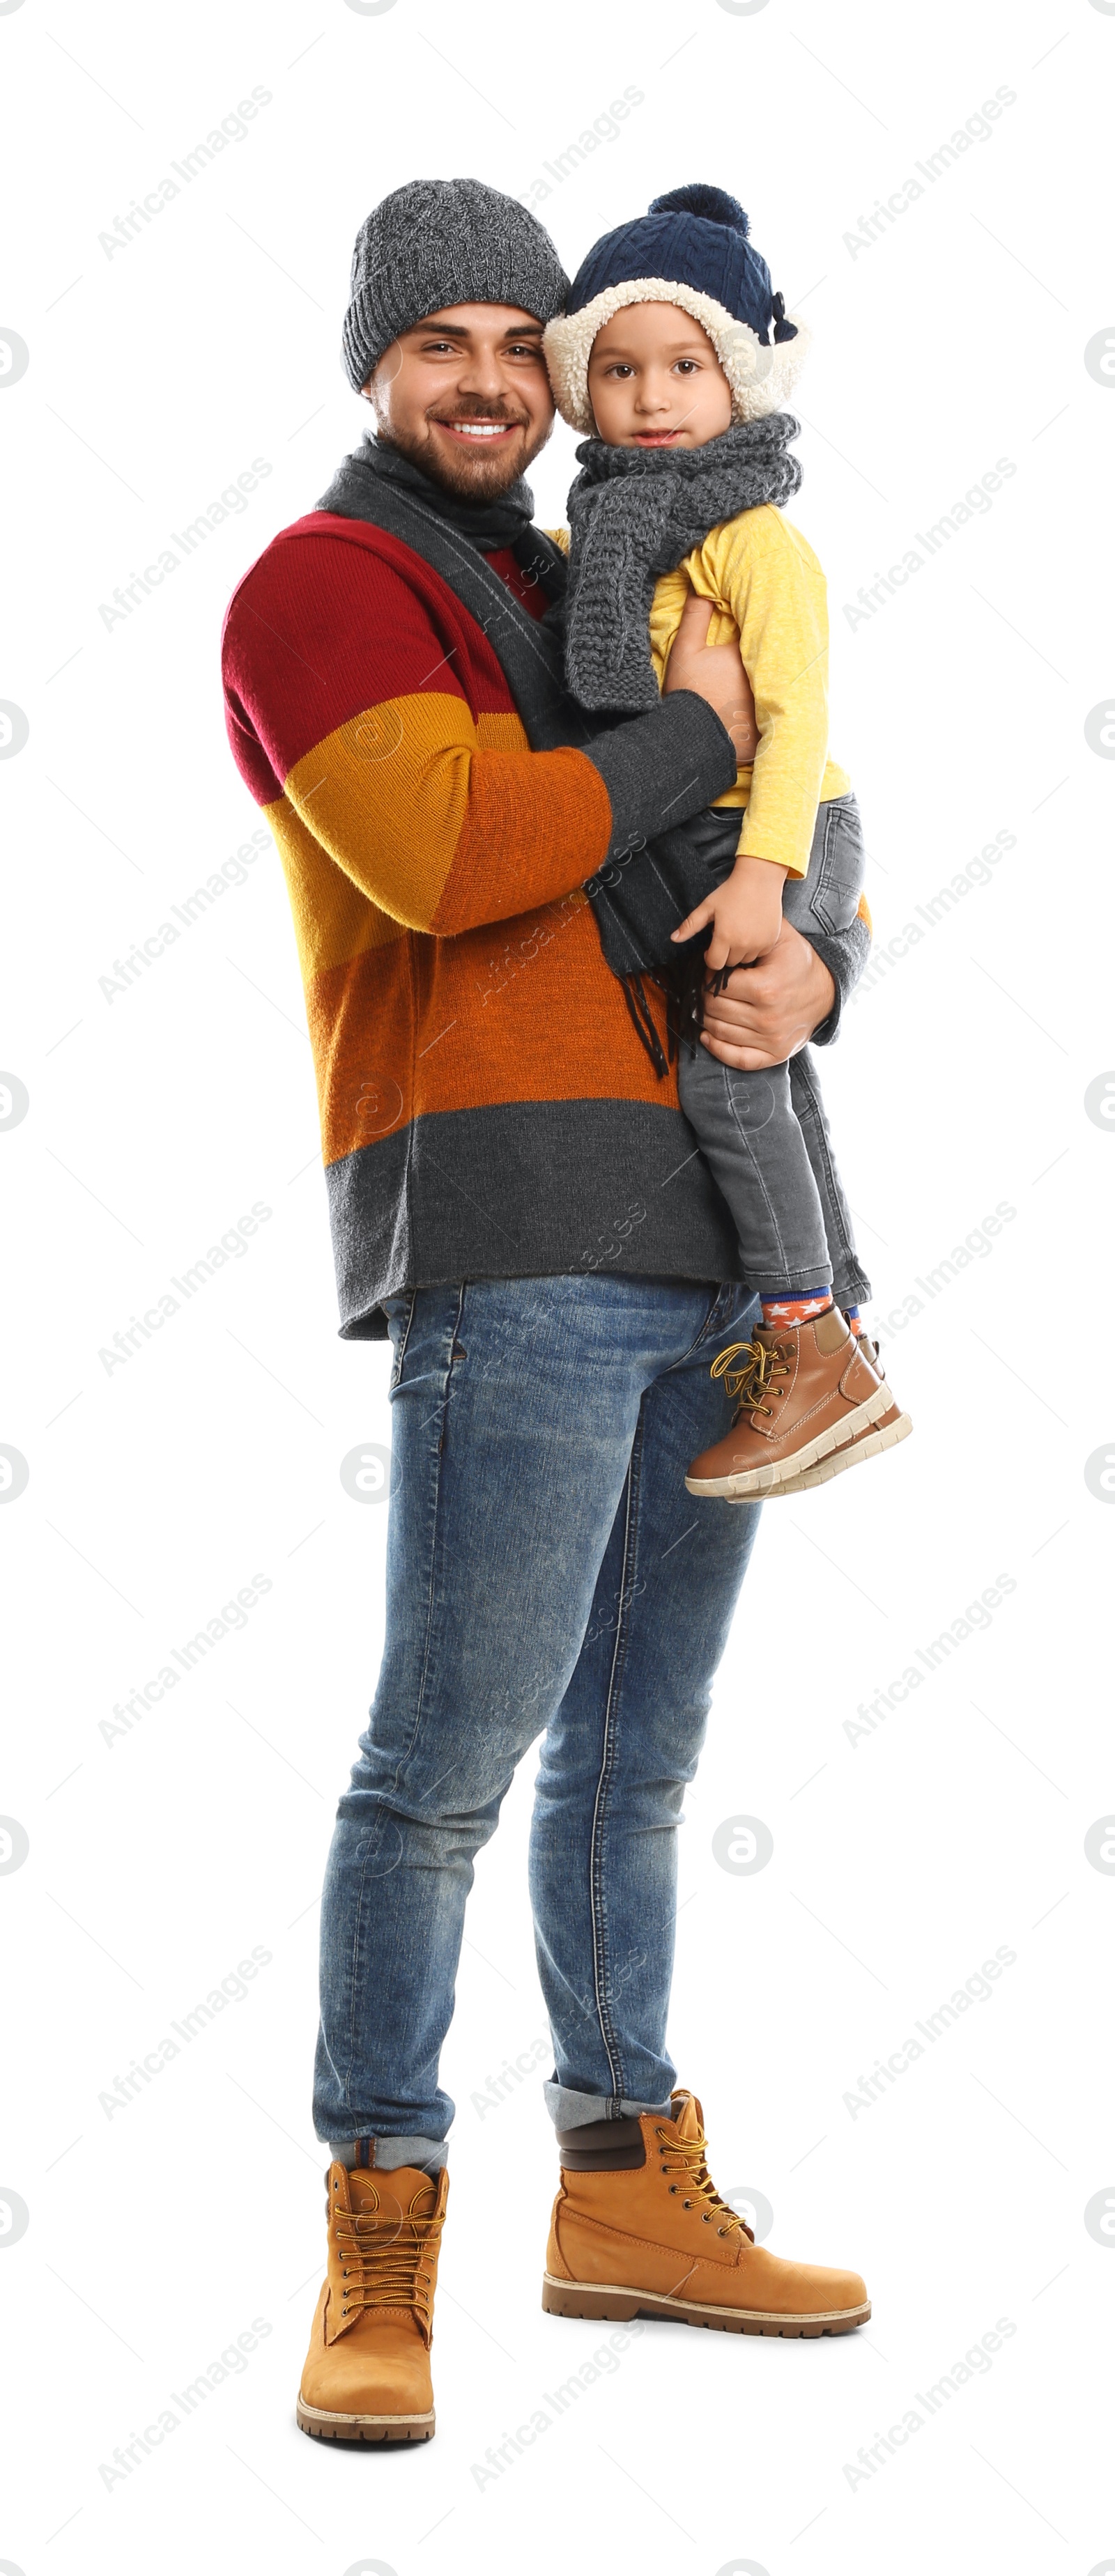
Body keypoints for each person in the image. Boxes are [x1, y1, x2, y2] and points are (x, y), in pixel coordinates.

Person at [220, 177, 871, 2451]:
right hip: (515, 1228)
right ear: (376, 365)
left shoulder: (582, 548)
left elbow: (779, 803)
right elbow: (460, 847)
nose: (498, 378)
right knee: (440, 1773)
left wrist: (819, 953)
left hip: (708, 1234)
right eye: (445, 345)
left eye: (530, 338)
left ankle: (620, 2176)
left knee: (636, 1757)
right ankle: (379, 2222)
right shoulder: (326, 586)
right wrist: (697, 740)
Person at [544, 184, 912, 1503]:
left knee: (730, 1074)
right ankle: (828, 1345)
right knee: (732, 1066)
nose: (652, 396)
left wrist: (768, 879)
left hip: (788, 819)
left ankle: (813, 1342)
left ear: (740, 380)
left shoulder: (753, 537)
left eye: (686, 366)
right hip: (713, 823)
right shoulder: (606, 548)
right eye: (621, 368)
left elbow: (797, 713)